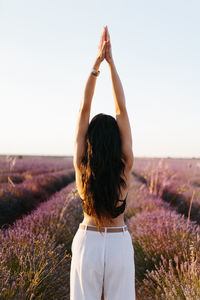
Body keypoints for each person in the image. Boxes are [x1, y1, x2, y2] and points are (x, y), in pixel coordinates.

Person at [70, 26, 135, 300]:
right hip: (118, 242)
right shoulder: (125, 162)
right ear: (116, 141)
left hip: (88, 241)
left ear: (90, 143)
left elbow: (85, 109)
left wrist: (96, 65)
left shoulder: (82, 164)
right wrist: (112, 64)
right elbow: (121, 109)